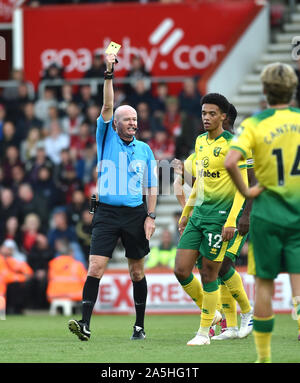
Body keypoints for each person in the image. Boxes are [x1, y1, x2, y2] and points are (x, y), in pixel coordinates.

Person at [68, 52, 158, 342]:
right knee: (95, 266)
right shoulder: (105, 136)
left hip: (135, 213)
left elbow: (152, 186)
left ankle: (139, 326)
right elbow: (108, 103)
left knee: (136, 272)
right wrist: (109, 71)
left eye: (135, 119)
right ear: (115, 123)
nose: (133, 123)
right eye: (127, 119)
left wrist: (151, 216)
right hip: (105, 212)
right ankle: (84, 324)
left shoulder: (145, 149)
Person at [224, 62, 300, 362]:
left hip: (266, 213)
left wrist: (247, 192)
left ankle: (264, 357)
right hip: (297, 209)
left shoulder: (254, 124)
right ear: (292, 90)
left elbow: (232, 162)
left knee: (265, 283)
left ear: (265, 91)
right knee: (298, 275)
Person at [174, 93, 252, 346]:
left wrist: (232, 220)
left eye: (211, 114)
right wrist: (186, 213)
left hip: (220, 217)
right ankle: (221, 314)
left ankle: (203, 332)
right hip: (199, 214)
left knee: (211, 271)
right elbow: (200, 183)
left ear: (223, 117)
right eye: (204, 113)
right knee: (181, 269)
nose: (206, 118)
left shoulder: (235, 144)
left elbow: (244, 186)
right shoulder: (199, 142)